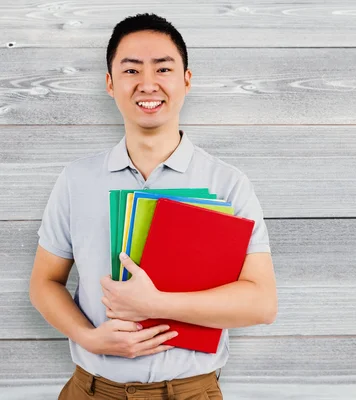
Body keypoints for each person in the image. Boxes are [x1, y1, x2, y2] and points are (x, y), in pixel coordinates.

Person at [28, 13, 277, 400]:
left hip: (191, 392)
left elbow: (261, 304)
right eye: (131, 70)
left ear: (186, 80)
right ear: (110, 84)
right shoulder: (77, 180)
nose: (148, 84)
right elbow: (45, 282)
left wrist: (155, 303)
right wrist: (89, 337)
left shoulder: (227, 184)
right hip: (91, 390)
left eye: (163, 68)